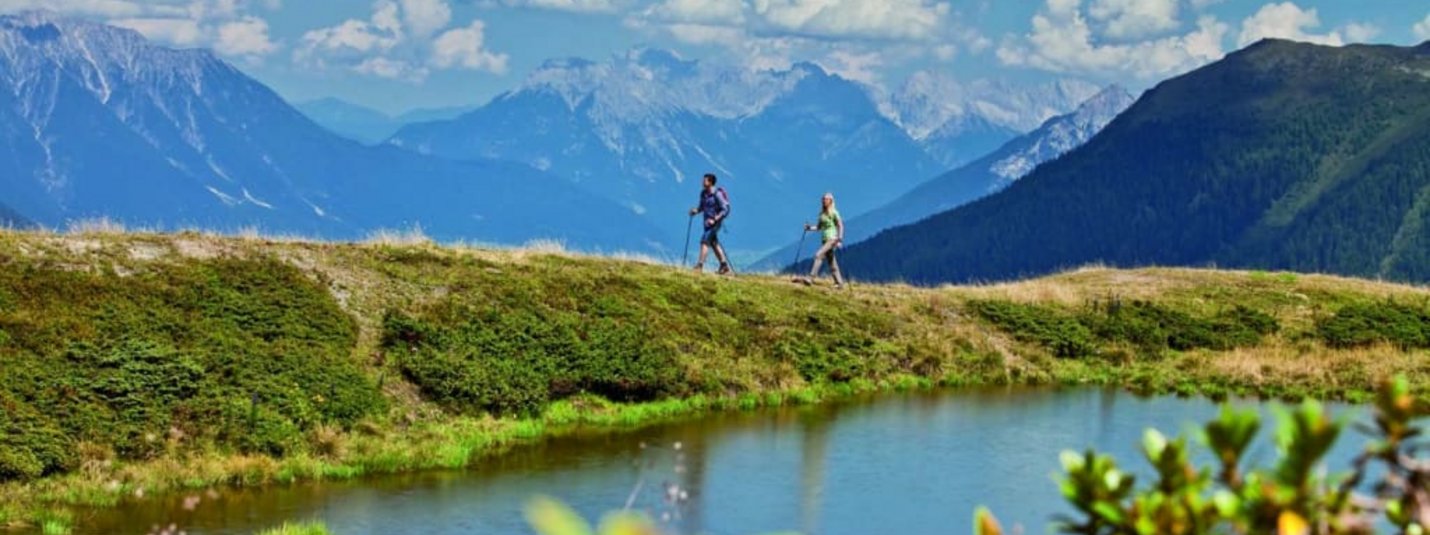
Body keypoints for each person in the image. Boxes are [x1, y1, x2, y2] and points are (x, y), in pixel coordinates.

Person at [688, 173, 732, 274]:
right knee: (713, 243)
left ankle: (699, 265)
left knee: (704, 241)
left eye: (705, 180)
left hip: (715, 223)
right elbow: (702, 207)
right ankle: (724, 266)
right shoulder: (703, 194)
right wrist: (695, 211)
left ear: (710, 182)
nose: (702, 182)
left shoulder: (717, 194)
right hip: (707, 223)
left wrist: (715, 219)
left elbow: (725, 209)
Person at [799, 192, 844, 288]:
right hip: (824, 240)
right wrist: (809, 228)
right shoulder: (822, 214)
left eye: (826, 199)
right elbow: (819, 227)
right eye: (823, 199)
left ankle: (810, 278)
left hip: (832, 239)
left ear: (830, 201)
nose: (824, 201)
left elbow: (840, 225)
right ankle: (839, 283)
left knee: (818, 255)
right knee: (831, 262)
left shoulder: (834, 213)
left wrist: (839, 239)